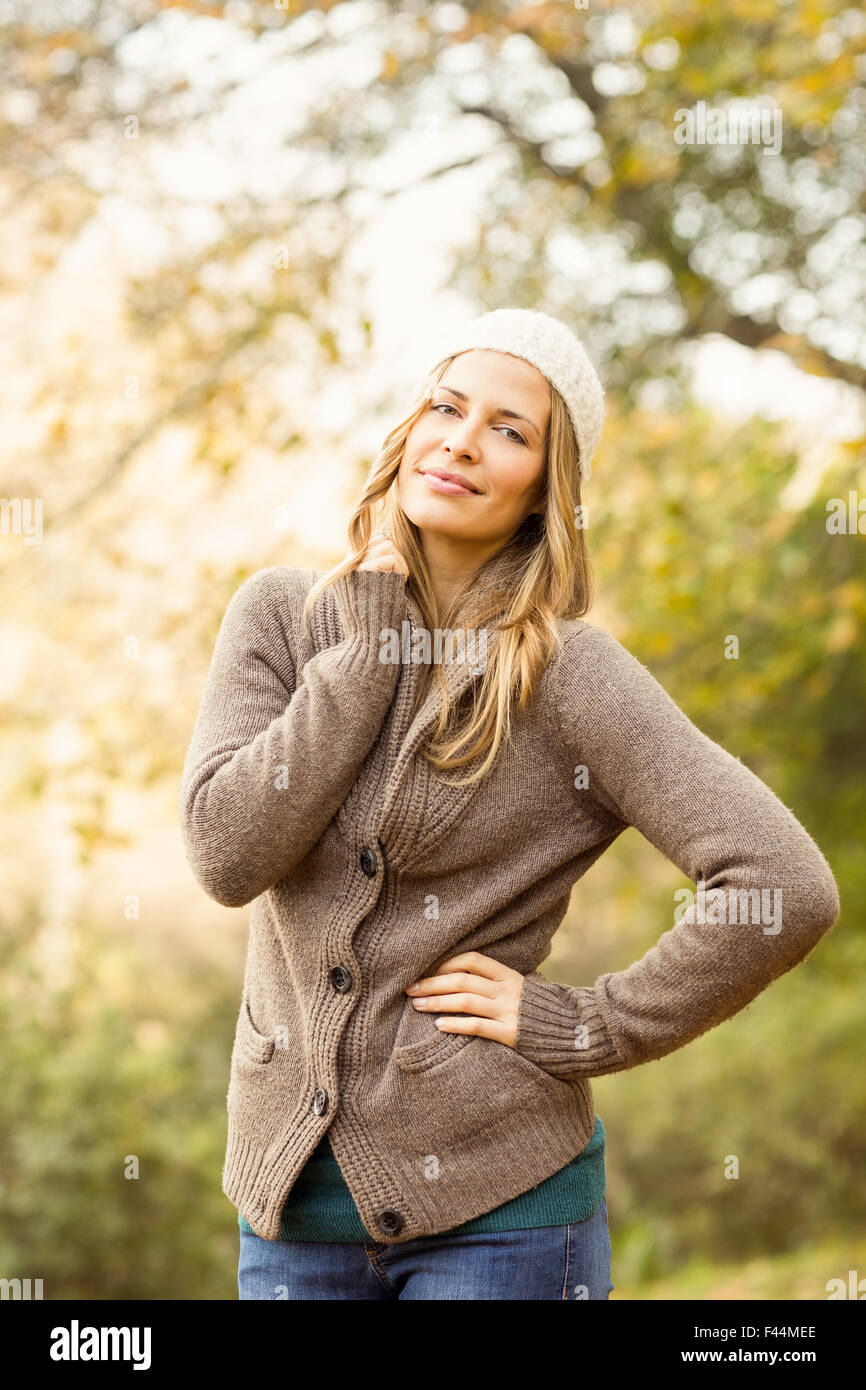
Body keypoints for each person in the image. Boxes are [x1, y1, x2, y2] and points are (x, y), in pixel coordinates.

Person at [178, 308, 841, 1300]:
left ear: (546, 489)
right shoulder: (284, 617)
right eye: (445, 406)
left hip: (502, 1222)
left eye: (509, 428)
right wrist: (363, 657)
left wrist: (583, 1025)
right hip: (285, 1220)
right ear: (406, 430)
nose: (460, 439)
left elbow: (783, 884)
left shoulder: (571, 676)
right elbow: (227, 855)